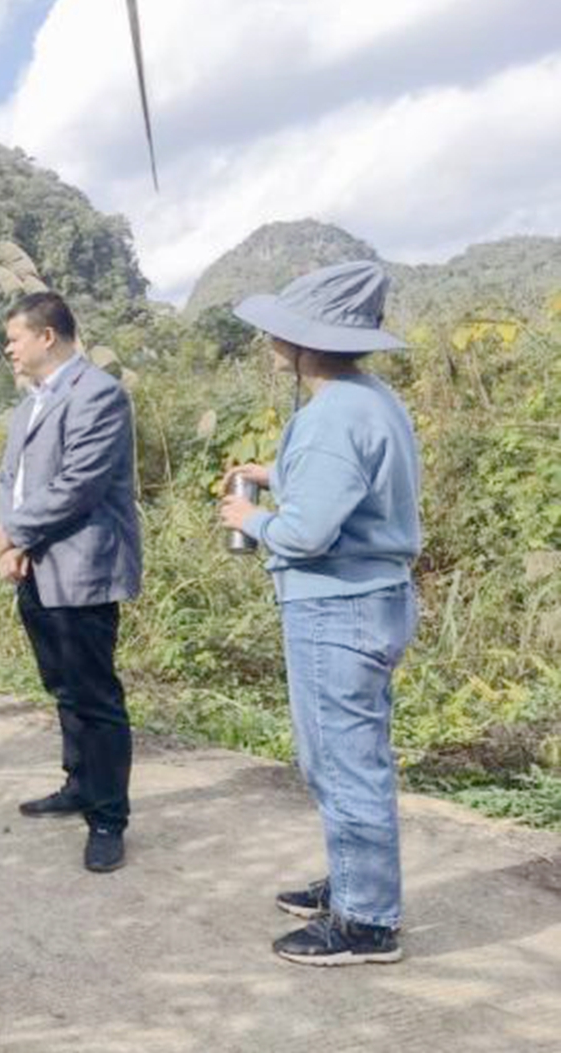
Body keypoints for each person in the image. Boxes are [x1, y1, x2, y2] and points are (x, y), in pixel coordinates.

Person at [217, 260, 421, 966]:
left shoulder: (333, 414)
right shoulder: (370, 399)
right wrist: (278, 474)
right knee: (342, 752)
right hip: (371, 599)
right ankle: (354, 879)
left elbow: (307, 533)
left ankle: (365, 920)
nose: (272, 340)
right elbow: (355, 480)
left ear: (306, 342)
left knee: (342, 757)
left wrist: (254, 515)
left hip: (338, 605)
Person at [0, 292, 142, 874]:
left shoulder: (98, 394)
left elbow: (79, 482)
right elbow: (13, 479)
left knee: (95, 694)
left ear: (47, 336)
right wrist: (15, 539)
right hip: (36, 562)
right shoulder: (29, 405)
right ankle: (78, 783)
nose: (9, 348)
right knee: (63, 685)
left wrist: (12, 534)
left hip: (82, 567)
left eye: (16, 337)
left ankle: (108, 817)